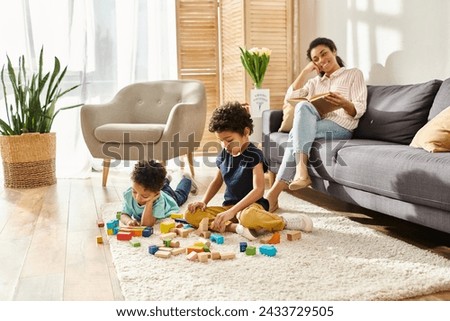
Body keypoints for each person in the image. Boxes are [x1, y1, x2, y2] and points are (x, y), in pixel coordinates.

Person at [266, 37, 367, 212]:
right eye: (316, 59)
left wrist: (343, 103)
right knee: (304, 105)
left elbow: (359, 108)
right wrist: (305, 72)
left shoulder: (353, 74)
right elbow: (290, 98)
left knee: (295, 134)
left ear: (334, 51)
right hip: (318, 124)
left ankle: (277, 191)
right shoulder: (314, 83)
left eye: (324, 54)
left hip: (341, 126)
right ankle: (294, 178)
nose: (321, 60)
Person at [185, 101, 313, 240]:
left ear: (245, 132)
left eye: (229, 140)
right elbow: (217, 181)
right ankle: (234, 227)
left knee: (248, 217)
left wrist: (234, 211)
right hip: (229, 209)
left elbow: (259, 190)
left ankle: (282, 221)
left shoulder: (254, 154)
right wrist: (204, 202)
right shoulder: (224, 154)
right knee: (191, 214)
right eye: (221, 141)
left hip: (251, 208)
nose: (225, 145)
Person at [121, 160, 197, 227]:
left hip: (170, 196)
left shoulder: (159, 201)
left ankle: (186, 179)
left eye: (144, 196)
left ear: (156, 194)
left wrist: (149, 202)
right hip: (157, 189)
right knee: (164, 186)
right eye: (134, 191)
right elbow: (124, 214)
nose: (137, 198)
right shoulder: (129, 195)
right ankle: (166, 179)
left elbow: (146, 224)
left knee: (181, 194)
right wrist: (128, 221)